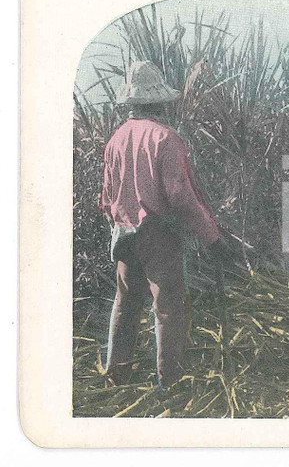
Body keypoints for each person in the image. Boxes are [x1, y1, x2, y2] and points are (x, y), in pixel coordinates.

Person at [99, 60, 230, 387]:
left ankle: (116, 376)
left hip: (124, 233)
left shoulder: (115, 140)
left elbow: (106, 199)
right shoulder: (166, 138)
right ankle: (169, 381)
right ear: (158, 101)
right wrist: (211, 237)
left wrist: (123, 221)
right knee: (168, 306)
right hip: (157, 232)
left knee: (125, 304)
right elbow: (180, 196)